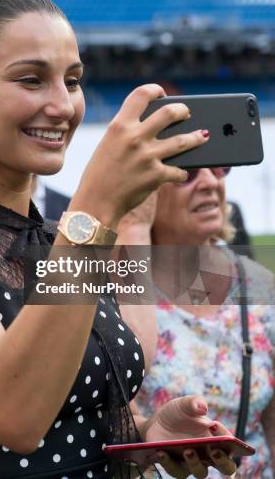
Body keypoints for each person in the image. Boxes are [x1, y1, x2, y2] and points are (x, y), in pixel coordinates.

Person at [0, 0, 236, 479]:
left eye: (73, 79)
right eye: (31, 80)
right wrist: (98, 204)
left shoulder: (66, 237)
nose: (63, 105)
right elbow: (17, 417)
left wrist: (147, 433)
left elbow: (96, 403)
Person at [117, 167, 275, 477]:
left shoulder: (261, 288)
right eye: (186, 172)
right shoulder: (110, 287)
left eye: (219, 168)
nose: (210, 181)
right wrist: (132, 232)